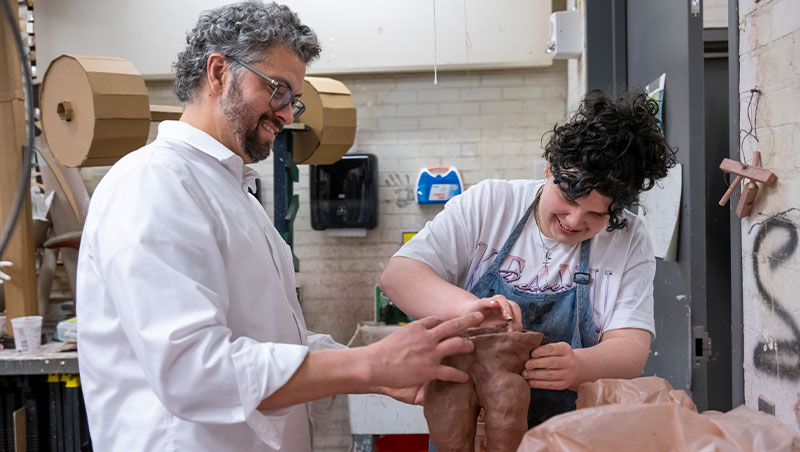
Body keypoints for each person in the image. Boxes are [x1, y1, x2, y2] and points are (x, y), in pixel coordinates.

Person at [76, 2, 486, 451]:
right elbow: (192, 371)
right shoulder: (153, 183)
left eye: (294, 100)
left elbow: (273, 339)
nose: (288, 114)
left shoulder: (231, 191)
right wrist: (367, 365)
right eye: (278, 91)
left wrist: (376, 368)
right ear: (218, 72)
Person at [380, 90, 676, 428]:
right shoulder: (491, 203)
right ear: (550, 168)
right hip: (470, 424)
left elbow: (631, 349)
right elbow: (399, 275)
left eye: (597, 214)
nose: (575, 221)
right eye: (568, 198)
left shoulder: (629, 237)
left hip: (570, 432)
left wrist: (579, 367)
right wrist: (471, 311)